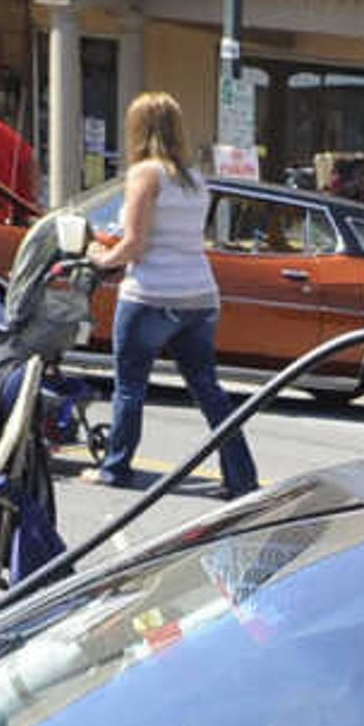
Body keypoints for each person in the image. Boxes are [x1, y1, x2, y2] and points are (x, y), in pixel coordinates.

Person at [81, 91, 256, 498]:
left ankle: (115, 468)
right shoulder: (196, 180)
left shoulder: (145, 174)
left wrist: (98, 258)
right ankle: (241, 476)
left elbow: (135, 246)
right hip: (199, 295)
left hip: (151, 295)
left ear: (138, 128)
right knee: (208, 389)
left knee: (130, 387)